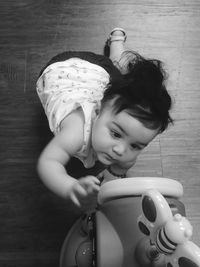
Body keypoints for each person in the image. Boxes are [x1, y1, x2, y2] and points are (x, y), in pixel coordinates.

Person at [36, 28, 173, 211]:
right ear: (96, 111)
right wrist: (70, 187)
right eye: (116, 133)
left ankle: (118, 46)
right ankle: (117, 45)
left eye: (136, 146)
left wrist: (113, 176)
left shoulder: (119, 134)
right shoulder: (75, 131)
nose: (120, 150)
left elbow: (124, 164)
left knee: (130, 84)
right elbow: (49, 162)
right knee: (119, 67)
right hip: (63, 69)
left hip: (95, 77)